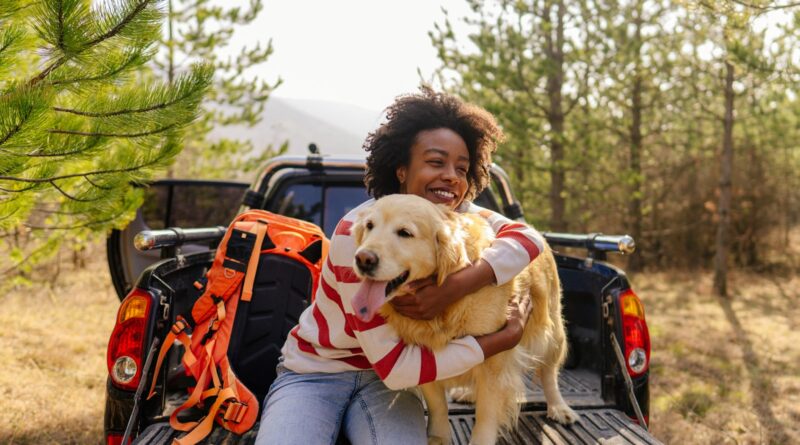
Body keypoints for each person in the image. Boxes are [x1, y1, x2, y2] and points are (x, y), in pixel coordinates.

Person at [254, 87, 546, 445]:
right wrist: (501, 340)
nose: (452, 176)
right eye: (436, 162)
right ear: (402, 170)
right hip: (318, 372)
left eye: (462, 168)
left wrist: (459, 284)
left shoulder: (455, 217)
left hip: (393, 386)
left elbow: (530, 239)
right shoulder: (359, 232)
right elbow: (397, 368)